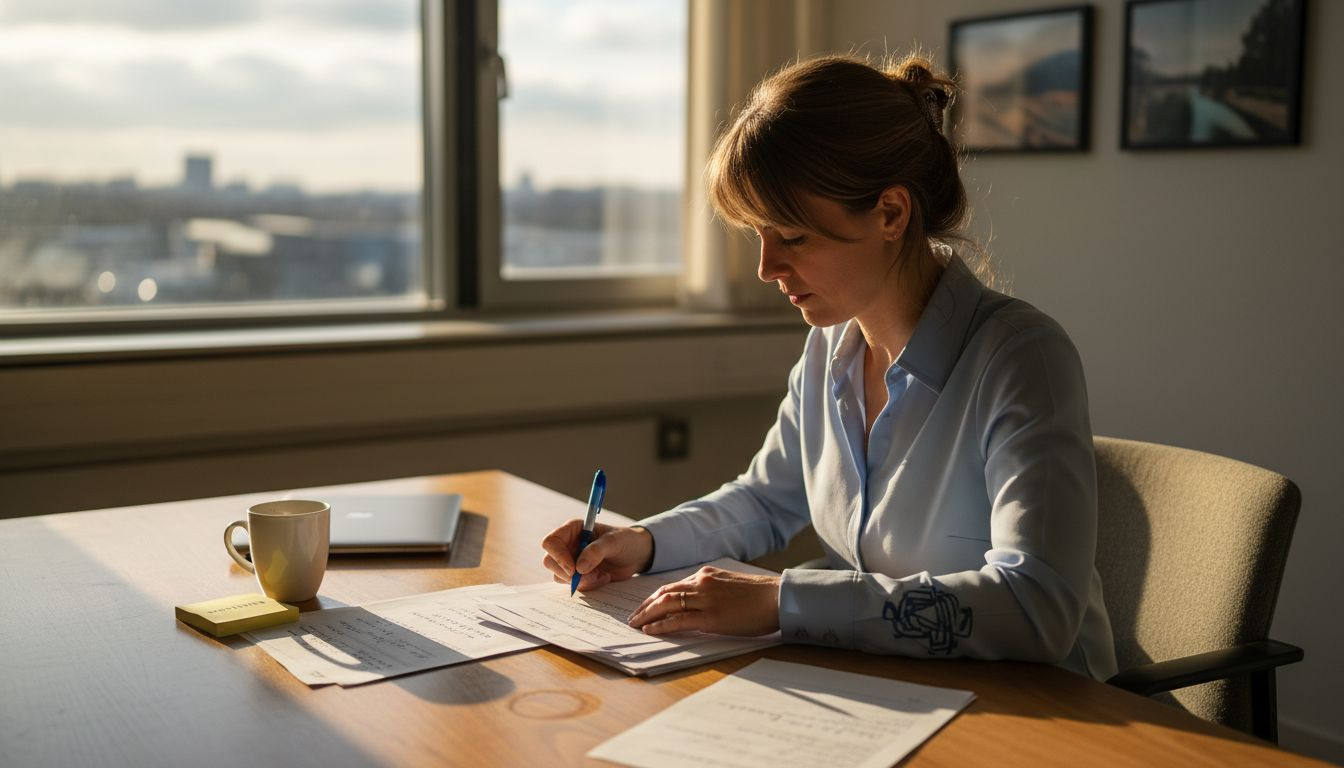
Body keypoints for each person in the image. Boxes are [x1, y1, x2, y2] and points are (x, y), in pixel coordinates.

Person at [540, 53, 1117, 680]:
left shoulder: (1020, 358)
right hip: (903, 687)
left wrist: (782, 602)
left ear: (891, 214)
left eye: (792, 237)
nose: (766, 269)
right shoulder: (831, 345)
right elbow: (766, 499)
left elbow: (1037, 606)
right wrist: (642, 544)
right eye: (758, 235)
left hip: (1051, 709)